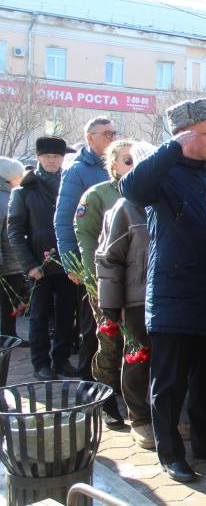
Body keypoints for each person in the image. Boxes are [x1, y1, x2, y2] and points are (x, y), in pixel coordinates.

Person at [120, 98, 206, 483]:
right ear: (183, 135)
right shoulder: (162, 173)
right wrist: (170, 148)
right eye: (205, 133)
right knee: (169, 383)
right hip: (173, 296)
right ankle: (170, 452)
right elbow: (131, 188)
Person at [95, 141, 156, 449]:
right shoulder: (125, 207)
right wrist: (110, 306)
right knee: (137, 360)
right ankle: (140, 417)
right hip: (135, 299)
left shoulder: (165, 202)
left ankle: (161, 415)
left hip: (164, 299)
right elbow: (108, 258)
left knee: (166, 363)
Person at [74, 139, 136, 429]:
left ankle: (134, 399)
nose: (132, 165)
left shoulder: (145, 191)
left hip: (136, 282)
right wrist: (95, 281)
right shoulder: (97, 195)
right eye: (126, 160)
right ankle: (105, 399)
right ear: (112, 164)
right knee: (110, 342)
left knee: (135, 344)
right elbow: (86, 240)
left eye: (136, 159)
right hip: (107, 281)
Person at [8, 137, 79, 380]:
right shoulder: (24, 191)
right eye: (47, 155)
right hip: (39, 265)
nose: (52, 160)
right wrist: (29, 265)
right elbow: (15, 231)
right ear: (38, 157)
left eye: (57, 156)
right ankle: (40, 362)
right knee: (39, 316)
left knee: (67, 314)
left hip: (67, 263)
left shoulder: (69, 185)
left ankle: (61, 359)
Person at [55, 116, 115, 379]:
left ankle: (113, 380)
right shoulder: (78, 170)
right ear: (90, 138)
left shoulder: (115, 166)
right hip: (91, 260)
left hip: (115, 258)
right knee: (93, 325)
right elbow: (64, 218)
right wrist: (72, 263)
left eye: (114, 133)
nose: (112, 138)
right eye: (106, 134)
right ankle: (89, 382)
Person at [0, 157, 27, 343]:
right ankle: (8, 337)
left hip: (10, 262)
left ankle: (9, 335)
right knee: (8, 303)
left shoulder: (7, 194)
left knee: (9, 303)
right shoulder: (4, 198)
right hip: (7, 264)